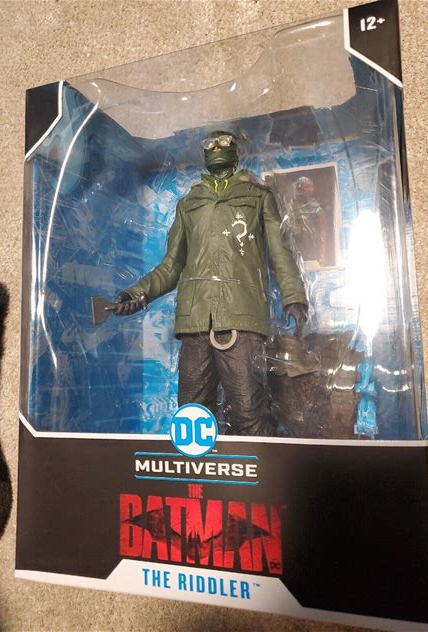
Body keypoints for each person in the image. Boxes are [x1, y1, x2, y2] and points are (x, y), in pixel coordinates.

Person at [114, 131, 308, 436]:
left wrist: (294, 297)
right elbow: (171, 265)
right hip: (195, 321)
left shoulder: (258, 197)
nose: (216, 147)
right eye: (210, 144)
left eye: (224, 142)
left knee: (249, 411)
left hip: (241, 316)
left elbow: (280, 252)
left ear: (235, 150)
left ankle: (260, 462)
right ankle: (198, 465)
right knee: (191, 414)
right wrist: (136, 294)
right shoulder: (189, 203)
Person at [289, 176, 328, 266]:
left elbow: (322, 228)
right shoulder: (292, 205)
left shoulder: (314, 205)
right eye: (306, 187)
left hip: (312, 241)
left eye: (311, 186)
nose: (309, 189)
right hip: (297, 241)